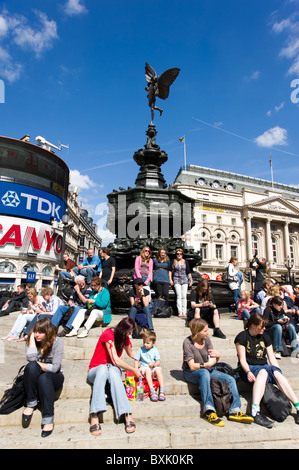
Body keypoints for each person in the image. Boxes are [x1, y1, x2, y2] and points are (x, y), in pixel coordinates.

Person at [182, 318, 254, 427]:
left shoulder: (207, 340)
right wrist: (207, 364)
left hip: (207, 369)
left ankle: (235, 409)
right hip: (191, 372)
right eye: (205, 331)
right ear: (197, 332)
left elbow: (213, 360)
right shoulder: (187, 342)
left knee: (230, 379)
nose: (208, 333)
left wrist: (217, 357)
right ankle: (209, 410)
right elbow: (191, 366)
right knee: (204, 373)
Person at [234, 312, 299, 427]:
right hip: (248, 368)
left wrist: (280, 373)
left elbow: (272, 358)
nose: (264, 328)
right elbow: (242, 360)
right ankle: (255, 412)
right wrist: (248, 371)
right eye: (262, 326)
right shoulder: (242, 337)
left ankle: (298, 407)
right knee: (263, 372)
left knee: (276, 373)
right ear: (253, 326)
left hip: (264, 366)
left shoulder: (265, 337)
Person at [86, 317, 141, 436]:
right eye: (129, 332)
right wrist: (132, 369)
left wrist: (147, 358)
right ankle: (94, 413)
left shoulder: (124, 338)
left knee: (112, 371)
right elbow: (115, 359)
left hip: (111, 370)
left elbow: (131, 353)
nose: (130, 335)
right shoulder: (108, 334)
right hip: (96, 370)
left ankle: (126, 413)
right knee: (103, 368)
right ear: (123, 329)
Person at [22, 317, 64, 437]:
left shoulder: (57, 342)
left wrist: (38, 365)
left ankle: (48, 418)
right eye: (35, 331)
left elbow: (55, 368)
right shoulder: (32, 341)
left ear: (48, 332)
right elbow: (30, 360)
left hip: (54, 377)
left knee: (43, 377)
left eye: (40, 332)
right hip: (37, 376)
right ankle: (30, 403)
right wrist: (31, 340)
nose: (37, 335)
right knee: (31, 367)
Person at [134, 330, 165, 402]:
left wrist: (154, 364)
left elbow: (158, 362)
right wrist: (136, 370)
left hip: (152, 368)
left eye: (148, 343)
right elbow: (136, 360)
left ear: (153, 343)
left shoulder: (155, 350)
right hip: (144, 368)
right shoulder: (141, 350)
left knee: (158, 370)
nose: (145, 344)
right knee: (147, 370)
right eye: (144, 342)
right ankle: (152, 391)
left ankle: (162, 390)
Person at [169, 248, 193, 318]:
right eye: (178, 254)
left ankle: (184, 312)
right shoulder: (173, 261)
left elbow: (188, 272)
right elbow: (170, 271)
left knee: (184, 296)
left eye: (180, 254)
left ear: (182, 254)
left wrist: (190, 280)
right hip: (176, 279)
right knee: (179, 296)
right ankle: (180, 312)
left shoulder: (185, 262)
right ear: (176, 254)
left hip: (184, 280)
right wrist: (170, 280)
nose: (179, 255)